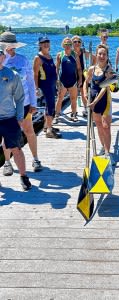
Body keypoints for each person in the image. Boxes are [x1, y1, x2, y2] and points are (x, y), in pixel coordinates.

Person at [0, 31, 42, 174]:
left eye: (13, 46)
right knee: (6, 135)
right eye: (7, 46)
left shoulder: (23, 60)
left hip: (24, 103)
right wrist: (4, 57)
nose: (11, 48)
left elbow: (30, 83)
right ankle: (7, 162)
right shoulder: (1, 60)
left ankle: (35, 158)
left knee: (29, 131)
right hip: (5, 106)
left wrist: (34, 103)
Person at [0, 44, 32, 190]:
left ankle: (23, 176)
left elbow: (19, 98)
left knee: (16, 148)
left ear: (3, 57)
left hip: (9, 118)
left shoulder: (12, 75)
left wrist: (19, 117)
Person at [83, 44, 115, 164]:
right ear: (96, 55)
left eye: (104, 54)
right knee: (99, 125)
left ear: (107, 56)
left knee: (106, 126)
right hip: (93, 101)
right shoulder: (92, 69)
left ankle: (108, 153)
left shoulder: (109, 70)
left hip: (104, 101)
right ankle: (103, 147)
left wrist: (94, 102)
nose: (101, 56)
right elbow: (86, 83)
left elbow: (104, 88)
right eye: (100, 54)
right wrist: (85, 94)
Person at [33, 36, 61, 139]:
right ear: (40, 45)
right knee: (50, 107)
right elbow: (35, 74)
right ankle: (49, 131)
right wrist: (36, 88)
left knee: (48, 106)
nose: (46, 44)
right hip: (45, 86)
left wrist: (57, 82)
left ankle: (46, 126)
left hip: (52, 85)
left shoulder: (49, 56)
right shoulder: (38, 58)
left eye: (47, 42)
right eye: (43, 42)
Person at [54, 37, 82, 123]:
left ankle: (73, 114)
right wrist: (57, 80)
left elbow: (79, 69)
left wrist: (80, 79)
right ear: (63, 45)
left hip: (73, 81)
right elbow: (57, 68)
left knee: (73, 98)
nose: (68, 46)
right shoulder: (60, 55)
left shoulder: (75, 55)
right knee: (60, 98)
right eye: (66, 44)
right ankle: (57, 115)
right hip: (63, 81)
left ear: (72, 45)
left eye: (69, 44)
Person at [72, 35, 89, 118]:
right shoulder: (70, 51)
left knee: (83, 92)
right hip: (72, 74)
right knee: (73, 94)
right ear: (72, 43)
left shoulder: (83, 51)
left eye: (79, 41)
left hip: (82, 73)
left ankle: (86, 109)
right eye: (75, 42)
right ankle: (74, 111)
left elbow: (94, 57)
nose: (77, 43)